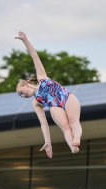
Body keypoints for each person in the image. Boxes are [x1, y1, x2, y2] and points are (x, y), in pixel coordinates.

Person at [15, 31, 82, 159]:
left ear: (26, 85)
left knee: (73, 121)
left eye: (22, 93)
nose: (23, 96)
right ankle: (73, 147)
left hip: (66, 97)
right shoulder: (35, 102)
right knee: (65, 127)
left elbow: (34, 56)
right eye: (21, 96)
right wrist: (47, 142)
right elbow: (43, 123)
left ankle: (77, 138)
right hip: (54, 105)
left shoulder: (41, 77)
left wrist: (25, 41)